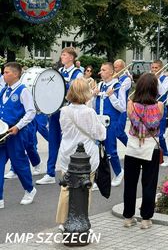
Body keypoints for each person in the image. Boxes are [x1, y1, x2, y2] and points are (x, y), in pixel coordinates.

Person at [56, 78, 106, 229]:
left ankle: (63, 221)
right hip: (87, 156)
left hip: (67, 153)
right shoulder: (89, 112)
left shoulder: (64, 111)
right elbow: (101, 134)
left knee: (65, 188)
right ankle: (81, 218)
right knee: (85, 189)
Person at [123, 73, 164, 229]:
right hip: (150, 148)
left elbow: (132, 117)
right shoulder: (159, 106)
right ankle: (146, 219)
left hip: (133, 148)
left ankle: (128, 217)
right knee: (149, 184)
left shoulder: (131, 105)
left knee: (130, 183)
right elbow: (157, 120)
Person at [36, 47, 83, 185]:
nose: (61, 57)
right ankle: (50, 173)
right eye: (62, 55)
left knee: (69, 142)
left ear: (71, 58)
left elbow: (76, 92)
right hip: (56, 110)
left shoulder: (77, 73)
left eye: (64, 55)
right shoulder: (59, 72)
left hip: (68, 111)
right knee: (53, 141)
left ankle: (71, 171)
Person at [0, 62, 37, 208]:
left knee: (19, 164)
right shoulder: (3, 91)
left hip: (16, 133)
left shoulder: (23, 90)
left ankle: (30, 189)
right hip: (3, 133)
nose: (4, 74)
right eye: (4, 72)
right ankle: (0, 198)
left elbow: (31, 112)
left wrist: (18, 126)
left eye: (7, 72)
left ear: (16, 74)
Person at [93, 62, 126, 186]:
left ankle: (118, 172)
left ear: (111, 72)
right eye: (101, 70)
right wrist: (93, 95)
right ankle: (99, 179)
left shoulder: (118, 86)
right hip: (98, 122)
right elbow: (92, 105)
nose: (100, 72)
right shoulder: (99, 85)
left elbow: (122, 108)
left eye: (104, 70)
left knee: (111, 151)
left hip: (111, 123)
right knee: (97, 151)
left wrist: (112, 96)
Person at [151, 60, 168, 167]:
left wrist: (157, 79)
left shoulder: (166, 78)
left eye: (156, 68)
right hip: (151, 108)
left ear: (161, 68)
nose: (154, 70)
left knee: (160, 135)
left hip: (161, 108)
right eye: (152, 68)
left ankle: (167, 154)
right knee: (151, 134)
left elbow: (163, 92)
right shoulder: (151, 78)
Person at [113, 59, 132, 146]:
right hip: (114, 107)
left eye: (116, 67)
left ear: (122, 67)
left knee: (119, 132)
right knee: (112, 133)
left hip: (122, 109)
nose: (114, 69)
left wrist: (113, 79)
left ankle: (130, 148)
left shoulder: (126, 79)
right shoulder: (115, 78)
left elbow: (121, 89)